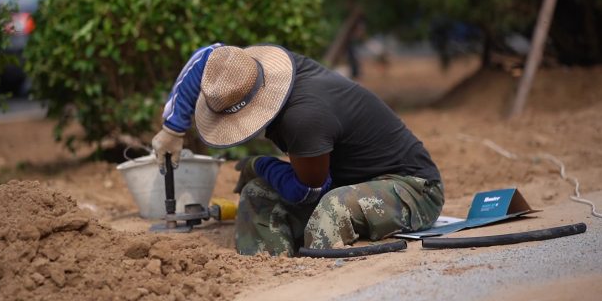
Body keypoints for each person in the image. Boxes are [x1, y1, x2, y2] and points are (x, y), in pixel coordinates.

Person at [152, 43, 444, 256]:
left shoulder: (303, 118)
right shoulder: (250, 75)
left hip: (411, 186)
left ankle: (316, 279)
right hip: (347, 180)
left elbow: (309, 191)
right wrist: (172, 128)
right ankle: (271, 276)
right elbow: (206, 57)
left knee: (332, 208)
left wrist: (260, 166)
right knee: (256, 195)